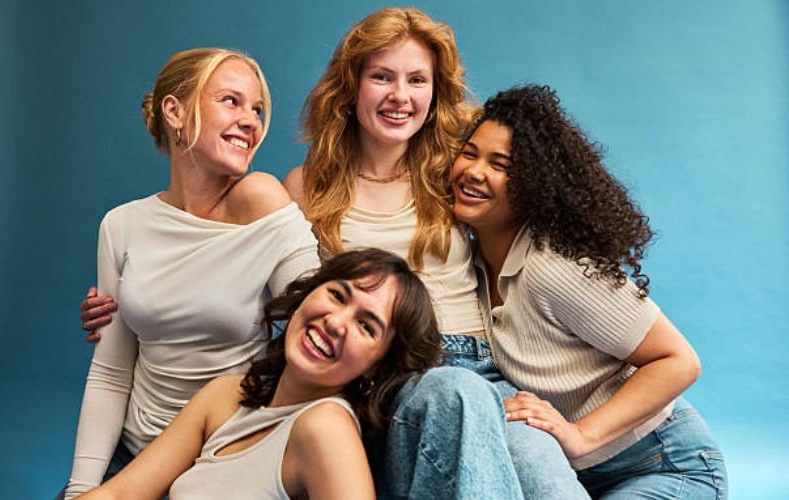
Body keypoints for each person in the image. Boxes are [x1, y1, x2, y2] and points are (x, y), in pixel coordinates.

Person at [79, 9, 587, 500]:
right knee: (455, 394)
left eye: (417, 81)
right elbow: (292, 295)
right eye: (382, 77)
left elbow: (521, 251)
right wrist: (140, 299)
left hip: (470, 365)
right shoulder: (304, 189)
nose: (400, 96)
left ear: (435, 94)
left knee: (538, 463)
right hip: (378, 371)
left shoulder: (453, 173)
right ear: (352, 88)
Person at [63, 47, 320, 498]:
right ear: (174, 112)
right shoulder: (122, 225)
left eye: (258, 109)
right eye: (231, 101)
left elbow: (316, 311)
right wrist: (80, 487)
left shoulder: (261, 200)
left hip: (223, 460)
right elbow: (111, 372)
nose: (251, 121)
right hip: (133, 457)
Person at [451, 85, 728, 498]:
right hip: (583, 480)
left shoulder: (555, 267)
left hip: (667, 465)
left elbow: (679, 361)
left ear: (534, 185)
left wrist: (579, 435)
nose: (474, 171)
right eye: (470, 153)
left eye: (501, 164)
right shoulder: (468, 264)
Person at [77, 249, 443, 499]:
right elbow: (120, 492)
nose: (335, 322)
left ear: (376, 366)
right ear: (309, 293)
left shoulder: (325, 427)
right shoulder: (226, 396)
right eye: (337, 295)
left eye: (366, 326)